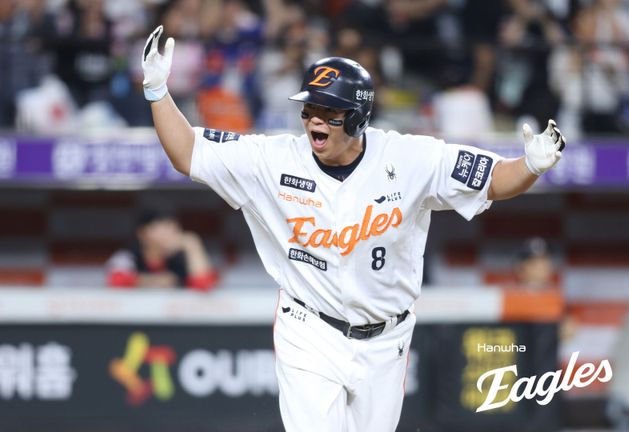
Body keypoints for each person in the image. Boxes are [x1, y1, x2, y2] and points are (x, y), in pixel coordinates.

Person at [140, 25, 566, 431]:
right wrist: (158, 91)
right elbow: (188, 153)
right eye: (309, 109)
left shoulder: (410, 158)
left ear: (358, 117)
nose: (314, 121)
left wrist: (530, 165)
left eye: (329, 112)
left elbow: (492, 179)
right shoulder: (272, 160)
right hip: (308, 328)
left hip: (386, 337)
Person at [106, 209, 218, 291]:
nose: (170, 233)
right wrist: (153, 280)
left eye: (174, 228)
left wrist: (193, 246)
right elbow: (117, 280)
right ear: (142, 233)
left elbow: (204, 285)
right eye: (163, 227)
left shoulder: (183, 258)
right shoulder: (128, 256)